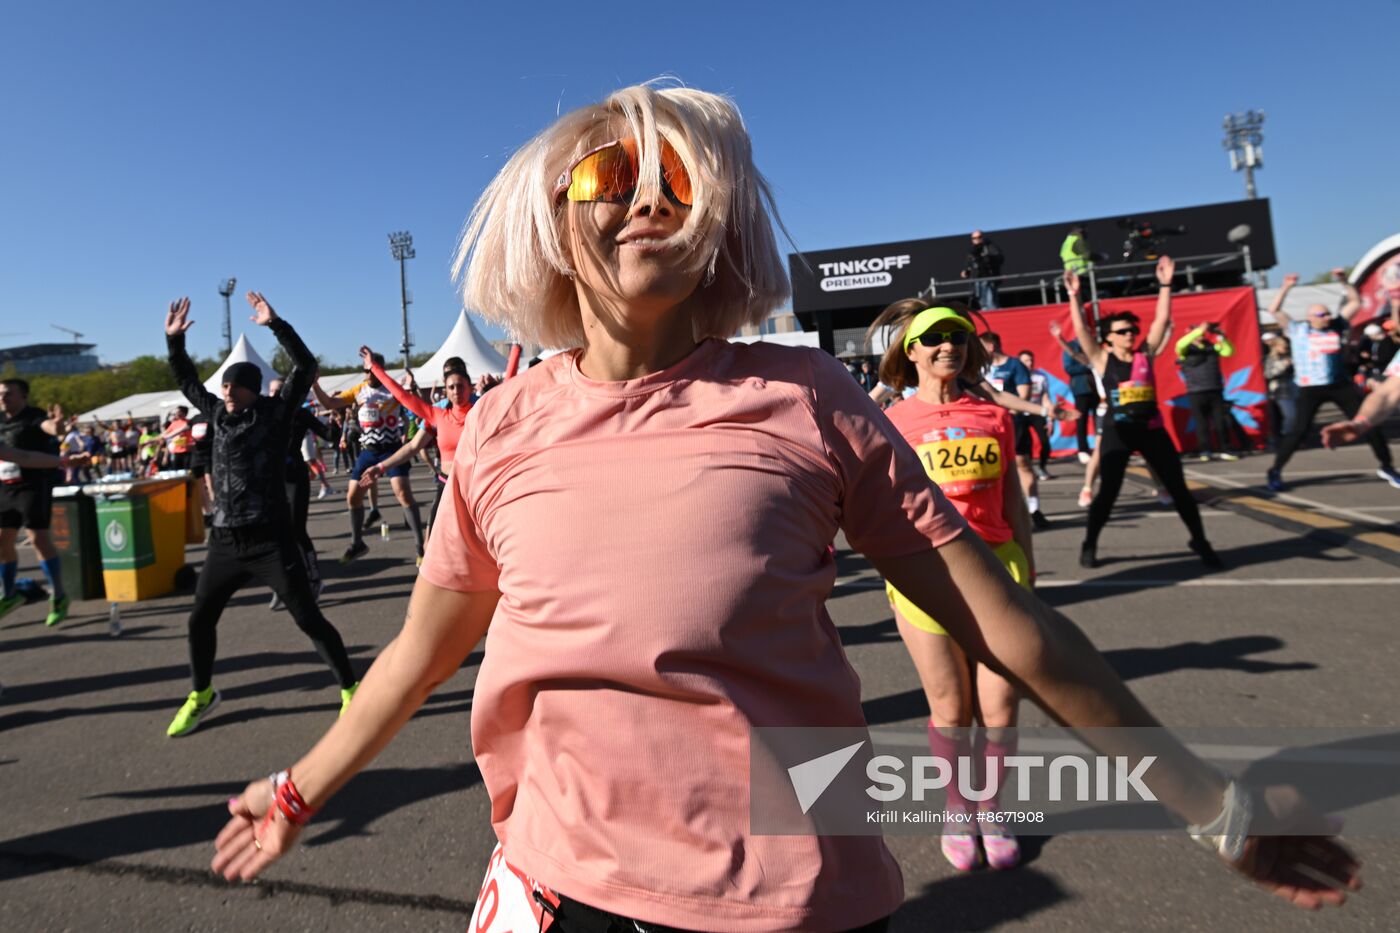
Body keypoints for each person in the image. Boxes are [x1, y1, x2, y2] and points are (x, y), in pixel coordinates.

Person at [211, 84, 1358, 931]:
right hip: (554, 890)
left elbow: (1014, 628)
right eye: (610, 178)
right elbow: (418, 655)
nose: (647, 201)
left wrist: (1218, 811)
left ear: (716, 225)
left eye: (680, 183)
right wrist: (298, 789)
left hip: (791, 903)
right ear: (558, 226)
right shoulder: (503, 428)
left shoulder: (807, 399)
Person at [868, 299, 1032, 871]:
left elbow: (1012, 500)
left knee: (1002, 707)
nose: (949, 346)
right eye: (934, 337)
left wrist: (1027, 575)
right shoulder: (889, 423)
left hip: (998, 570)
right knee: (952, 708)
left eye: (958, 336)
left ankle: (993, 807)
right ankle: (958, 808)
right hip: (926, 576)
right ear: (909, 350)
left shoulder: (995, 416)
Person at [162, 293, 358, 737]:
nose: (227, 390)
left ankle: (350, 687)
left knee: (308, 618)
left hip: (271, 540)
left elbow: (305, 367)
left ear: (253, 388)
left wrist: (276, 325)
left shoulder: (275, 413)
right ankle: (202, 693)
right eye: (225, 385)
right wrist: (173, 343)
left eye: (236, 385)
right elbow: (187, 380)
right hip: (226, 542)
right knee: (199, 620)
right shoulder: (215, 413)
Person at [1065, 261, 1224, 570]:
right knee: (1108, 493)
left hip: (1151, 430)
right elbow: (1082, 330)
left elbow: (1161, 321)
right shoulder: (1101, 358)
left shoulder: (1144, 355)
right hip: (1117, 432)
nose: (1129, 335)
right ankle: (1090, 542)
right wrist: (1074, 295)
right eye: (1122, 331)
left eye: (1132, 330)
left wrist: (1165, 285)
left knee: (1179, 490)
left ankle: (1200, 541)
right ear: (1109, 338)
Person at [1266, 272, 1399, 490]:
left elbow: (1355, 302)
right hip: (1310, 387)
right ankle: (1275, 470)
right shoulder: (1298, 330)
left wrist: (1344, 281)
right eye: (1321, 313)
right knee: (1299, 430)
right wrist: (1286, 287)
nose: (1326, 316)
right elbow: (1274, 311)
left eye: (1327, 313)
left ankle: (1387, 466)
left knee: (1370, 422)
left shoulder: (1336, 326)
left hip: (1339, 384)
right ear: (1310, 317)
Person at [312, 353, 426, 564]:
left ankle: (421, 547)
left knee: (402, 492)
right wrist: (315, 385)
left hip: (391, 448)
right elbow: (329, 401)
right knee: (353, 496)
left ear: (380, 370)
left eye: (373, 370)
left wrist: (413, 385)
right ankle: (357, 543)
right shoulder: (359, 390)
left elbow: (416, 404)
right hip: (368, 450)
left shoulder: (392, 389)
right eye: (366, 371)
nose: (369, 375)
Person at [359, 353, 473, 536]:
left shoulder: (481, 412)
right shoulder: (438, 415)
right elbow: (402, 399)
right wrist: (380, 467)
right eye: (451, 387)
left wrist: (516, 349)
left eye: (460, 386)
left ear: (470, 388)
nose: (456, 390)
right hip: (446, 485)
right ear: (446, 390)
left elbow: (508, 386)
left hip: (474, 487)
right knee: (432, 542)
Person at [0, 383, 68, 626]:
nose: (3, 398)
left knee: (38, 537)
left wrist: (57, 426)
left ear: (23, 396)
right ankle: (9, 595)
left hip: (32, 485)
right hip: (5, 487)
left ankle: (58, 596)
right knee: (2, 540)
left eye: (8, 393)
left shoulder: (33, 416)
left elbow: (48, 429)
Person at [267, 377, 333, 612]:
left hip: (295, 477)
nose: (275, 396)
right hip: (271, 480)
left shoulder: (300, 414)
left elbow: (328, 435)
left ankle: (314, 580)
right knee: (275, 534)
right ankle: (282, 586)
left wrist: (336, 421)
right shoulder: (262, 413)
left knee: (296, 530)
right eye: (271, 392)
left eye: (279, 392)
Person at [981, 332, 1049, 529]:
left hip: (1013, 423)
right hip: (987, 425)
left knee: (1022, 464)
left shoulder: (1015, 365)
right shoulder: (978, 369)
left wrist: (1002, 407)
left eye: (981, 346)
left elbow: (1023, 396)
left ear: (991, 346)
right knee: (992, 470)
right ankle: (999, 514)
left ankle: (1034, 510)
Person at [1176, 321, 1240, 461]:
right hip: (1196, 392)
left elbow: (1229, 351)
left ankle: (1225, 449)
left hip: (1215, 389)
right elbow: (1180, 344)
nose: (1200, 336)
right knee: (1201, 423)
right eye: (1196, 333)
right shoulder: (1185, 350)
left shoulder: (1212, 347)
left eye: (1202, 333)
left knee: (1220, 422)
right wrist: (1199, 330)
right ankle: (1205, 451)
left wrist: (1221, 337)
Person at [1050, 319, 1099, 463]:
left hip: (1098, 389)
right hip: (1081, 388)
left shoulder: (1095, 347)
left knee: (1100, 419)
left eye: (1089, 331)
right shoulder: (1071, 347)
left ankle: (1100, 447)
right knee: (1081, 419)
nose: (1088, 333)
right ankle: (1083, 449)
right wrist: (1089, 366)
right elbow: (1069, 367)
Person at [1017, 349, 1054, 479]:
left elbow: (1046, 399)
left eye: (1031, 360)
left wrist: (1050, 419)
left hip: (1037, 412)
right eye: (1026, 360)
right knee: (1025, 443)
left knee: (1045, 441)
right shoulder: (1015, 376)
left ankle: (1042, 467)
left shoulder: (1040, 377)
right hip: (1020, 413)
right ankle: (1028, 469)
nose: (1030, 363)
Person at [1263, 333, 1297, 445]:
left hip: (1292, 389)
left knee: (1292, 415)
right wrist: (1283, 365)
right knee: (1289, 415)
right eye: (1284, 347)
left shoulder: (1291, 357)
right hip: (1279, 392)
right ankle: (1285, 435)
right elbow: (1268, 374)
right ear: (1276, 347)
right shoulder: (1270, 358)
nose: (1286, 349)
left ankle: (1289, 436)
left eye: (1287, 347)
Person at [960, 229, 1004, 310]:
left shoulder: (989, 247)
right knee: (983, 304)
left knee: (991, 303)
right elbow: (968, 265)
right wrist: (966, 271)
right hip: (977, 280)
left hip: (989, 279)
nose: (977, 239)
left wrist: (988, 259)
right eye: (974, 238)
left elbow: (999, 259)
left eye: (979, 237)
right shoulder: (971, 251)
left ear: (982, 237)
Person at [160, 405, 194, 471]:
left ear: (184, 413)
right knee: (177, 471)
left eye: (178, 412)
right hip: (176, 451)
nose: (176, 414)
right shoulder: (174, 423)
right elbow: (165, 434)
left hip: (187, 450)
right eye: (176, 412)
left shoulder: (190, 422)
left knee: (188, 471)